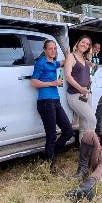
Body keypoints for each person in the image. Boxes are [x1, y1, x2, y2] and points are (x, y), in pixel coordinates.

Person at [30, 39, 74, 172]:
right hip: (45, 101)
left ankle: (50, 154)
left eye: (55, 49)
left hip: (55, 100)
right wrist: (52, 83)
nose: (53, 51)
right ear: (45, 50)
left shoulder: (53, 63)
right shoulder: (41, 62)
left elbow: (65, 62)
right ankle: (51, 165)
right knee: (51, 135)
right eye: (50, 49)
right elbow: (33, 82)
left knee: (68, 131)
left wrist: (68, 55)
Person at [63, 35, 94, 179]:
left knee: (83, 127)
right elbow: (68, 76)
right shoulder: (71, 56)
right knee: (92, 120)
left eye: (87, 44)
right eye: (83, 42)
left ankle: (85, 164)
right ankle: (87, 160)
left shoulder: (85, 60)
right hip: (75, 95)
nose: (85, 45)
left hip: (87, 95)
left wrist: (88, 84)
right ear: (78, 42)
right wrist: (81, 89)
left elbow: (89, 72)